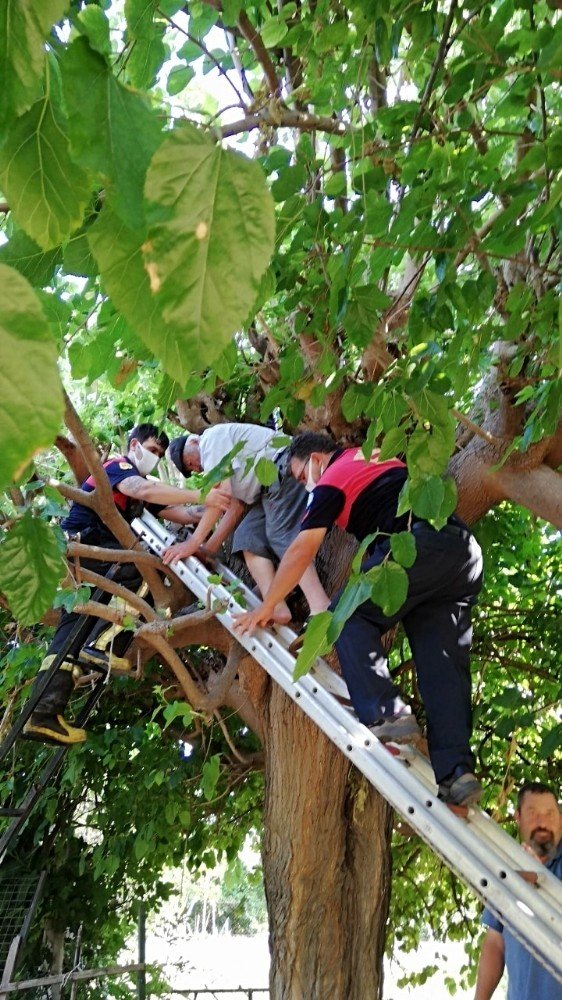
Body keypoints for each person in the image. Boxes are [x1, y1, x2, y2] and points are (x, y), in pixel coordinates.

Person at [233, 431, 484, 806]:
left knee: (345, 618)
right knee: (442, 670)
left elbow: (302, 547)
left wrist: (268, 605)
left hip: (414, 549)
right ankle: (457, 774)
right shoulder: (378, 457)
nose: (305, 487)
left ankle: (388, 713)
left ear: (317, 458)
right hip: (460, 555)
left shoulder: (333, 475)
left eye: (303, 477)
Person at [24, 423, 230, 746]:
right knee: (145, 569)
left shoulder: (145, 486)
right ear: (134, 445)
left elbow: (186, 513)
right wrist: (201, 492)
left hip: (92, 564)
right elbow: (144, 490)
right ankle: (102, 647)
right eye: (152, 449)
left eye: (160, 454)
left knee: (70, 635)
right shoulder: (119, 467)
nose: (155, 457)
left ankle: (44, 714)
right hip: (82, 549)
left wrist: (221, 502)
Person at [163, 424, 330, 624]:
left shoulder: (210, 441)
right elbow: (235, 507)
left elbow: (220, 497)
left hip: (284, 468)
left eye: (190, 463)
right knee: (246, 537)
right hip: (266, 492)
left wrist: (192, 543)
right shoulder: (221, 458)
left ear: (193, 441)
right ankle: (277, 607)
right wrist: (206, 550)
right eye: (192, 469)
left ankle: (320, 606)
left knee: (282, 535)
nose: (196, 468)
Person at [474, 782, 562, 999]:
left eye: (550, 813)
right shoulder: (509, 873)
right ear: (518, 818)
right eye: (533, 813)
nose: (543, 822)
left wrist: (541, 880)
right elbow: (495, 942)